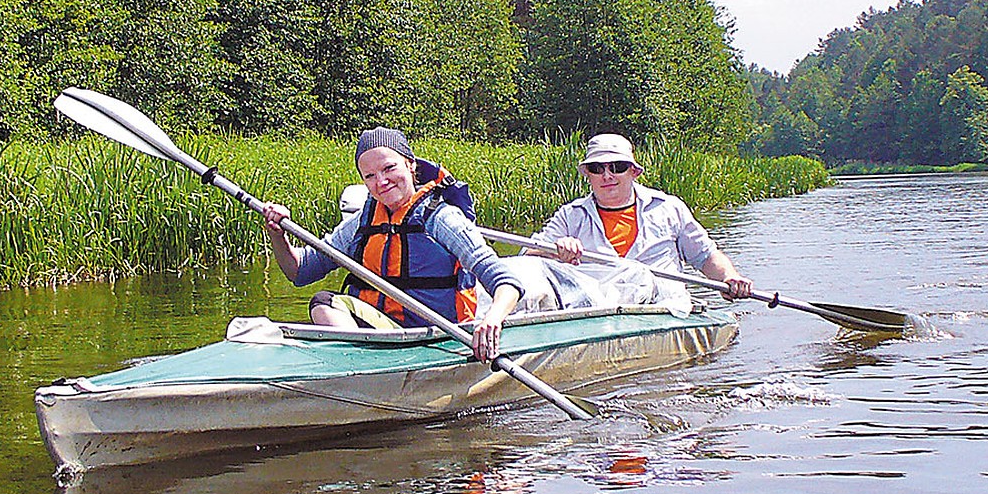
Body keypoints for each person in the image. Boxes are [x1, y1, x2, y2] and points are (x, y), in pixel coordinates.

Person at [263, 127, 522, 361]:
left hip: (437, 338)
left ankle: (360, 366)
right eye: (370, 176)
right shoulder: (360, 223)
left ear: (410, 165)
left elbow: (507, 283)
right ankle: (360, 366)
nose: (381, 182)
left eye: (389, 169)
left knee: (325, 303)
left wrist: (492, 319)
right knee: (324, 303)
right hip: (386, 335)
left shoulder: (442, 219)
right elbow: (300, 271)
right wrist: (278, 234)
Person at [536, 132, 753, 302]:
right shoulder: (570, 215)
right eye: (597, 168)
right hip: (598, 313)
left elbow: (706, 256)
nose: (607, 176)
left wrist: (728, 278)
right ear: (588, 175)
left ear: (634, 171)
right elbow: (529, 257)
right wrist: (555, 250)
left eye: (617, 167)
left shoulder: (669, 208)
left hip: (665, 310)